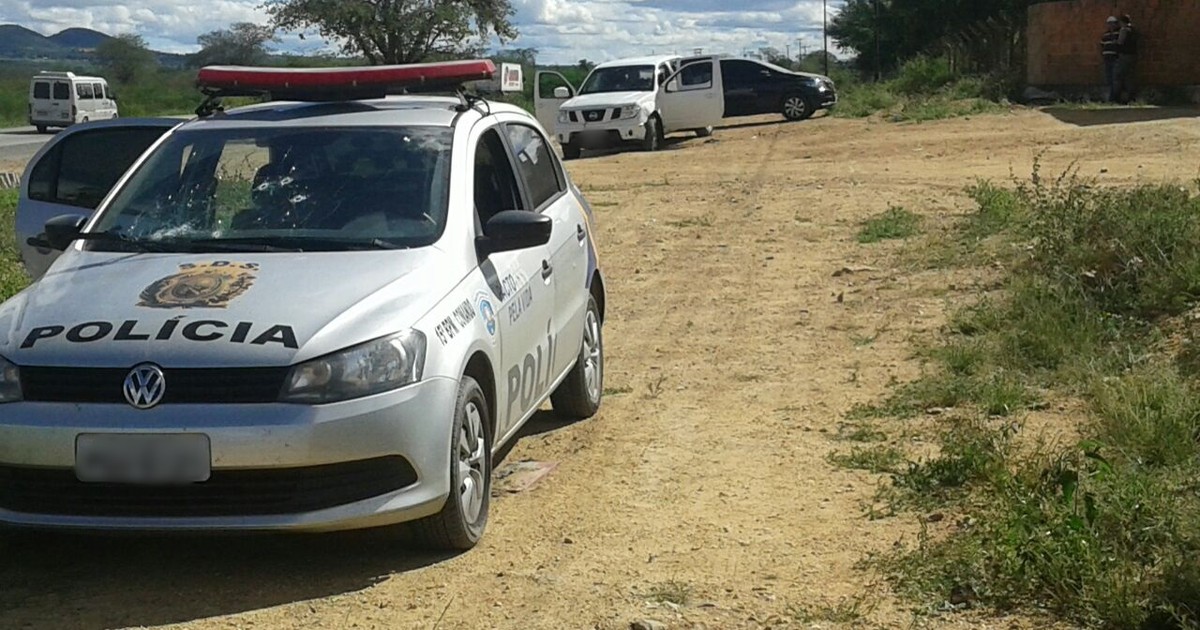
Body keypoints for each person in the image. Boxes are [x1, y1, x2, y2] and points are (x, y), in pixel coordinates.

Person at [1115, 14, 1139, 104]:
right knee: (1130, 76)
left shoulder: (1124, 30)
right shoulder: (1134, 30)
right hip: (1133, 55)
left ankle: (1118, 97)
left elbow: (1120, 42)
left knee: (1119, 76)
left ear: (1122, 22)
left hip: (1124, 55)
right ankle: (1131, 97)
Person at [1100, 16, 1121, 102]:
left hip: (1115, 59)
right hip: (1106, 58)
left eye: (1112, 23)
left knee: (1115, 78)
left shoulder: (1118, 34)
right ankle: (1110, 97)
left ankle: (1114, 98)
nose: (1111, 25)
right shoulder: (1105, 35)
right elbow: (1101, 45)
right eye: (1109, 24)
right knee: (1108, 78)